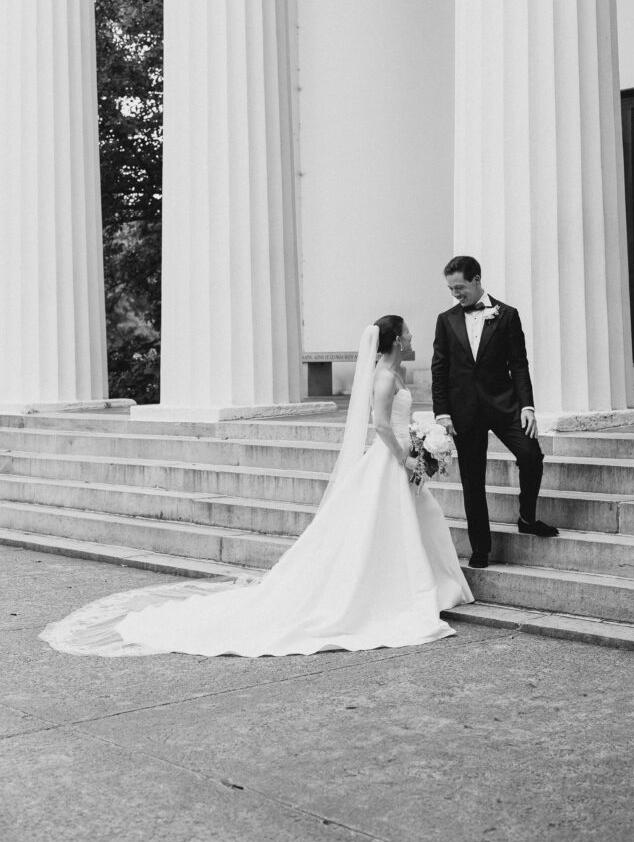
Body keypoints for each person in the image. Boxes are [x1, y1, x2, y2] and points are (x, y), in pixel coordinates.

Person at [40, 317, 473, 658]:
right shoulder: (382, 377)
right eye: (409, 333)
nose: (413, 336)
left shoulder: (393, 374)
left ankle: (426, 585)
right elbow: (379, 424)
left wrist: (422, 439)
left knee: (407, 525)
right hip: (390, 461)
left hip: (400, 462)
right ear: (396, 340)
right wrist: (407, 455)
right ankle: (400, 594)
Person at [431, 256, 558, 570]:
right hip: (463, 411)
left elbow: (519, 364)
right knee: (472, 481)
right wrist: (442, 413)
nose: (455, 294)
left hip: (504, 405)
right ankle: (480, 549)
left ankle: (527, 518)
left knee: (531, 455)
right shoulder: (446, 320)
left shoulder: (507, 315)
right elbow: (439, 370)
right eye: (450, 288)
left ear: (476, 280)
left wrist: (527, 406)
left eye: (459, 287)